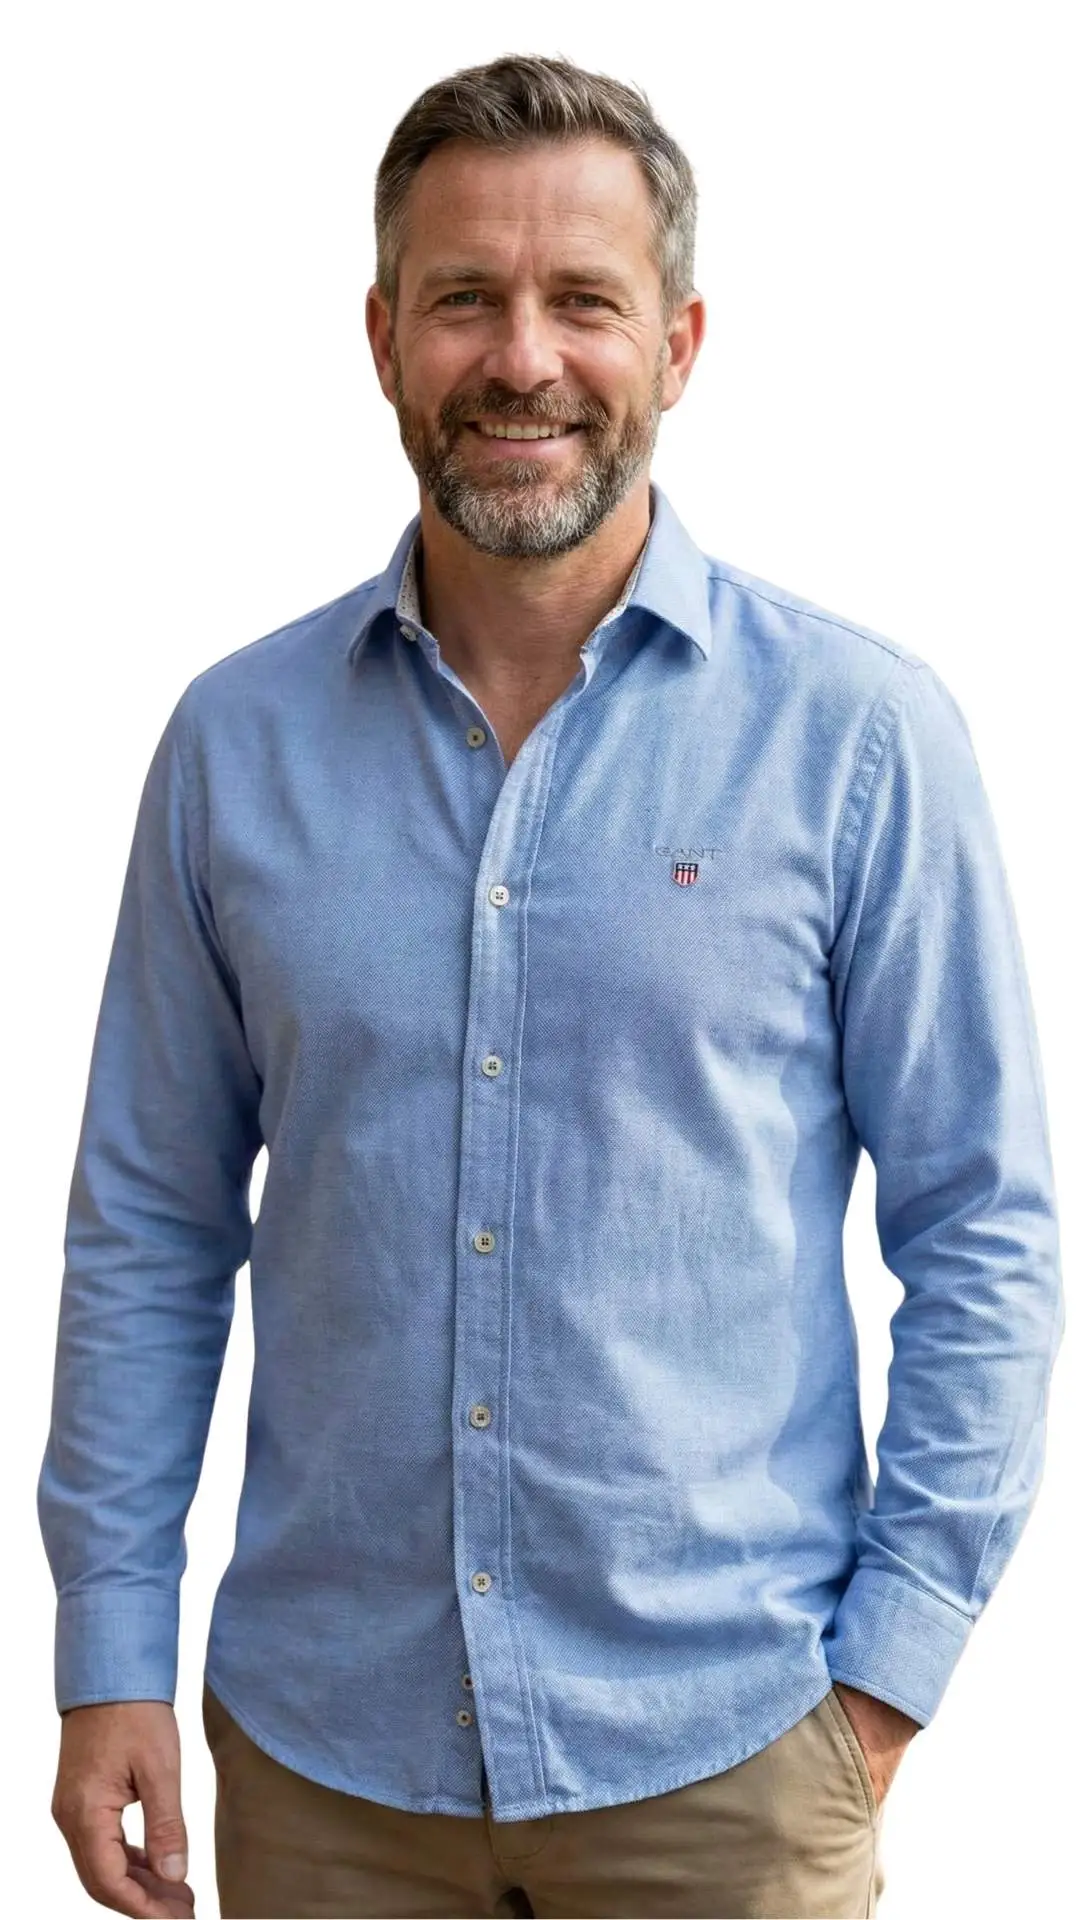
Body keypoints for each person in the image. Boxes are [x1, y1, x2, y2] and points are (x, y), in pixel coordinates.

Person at [39, 50, 1063, 1920]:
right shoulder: (230, 748)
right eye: (465, 300)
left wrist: (884, 1682)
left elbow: (986, 1227)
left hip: (727, 1763)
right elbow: (149, 1230)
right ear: (382, 340)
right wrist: (110, 1648)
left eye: (583, 300)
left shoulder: (859, 741)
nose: (524, 359)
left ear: (679, 344)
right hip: (325, 1772)